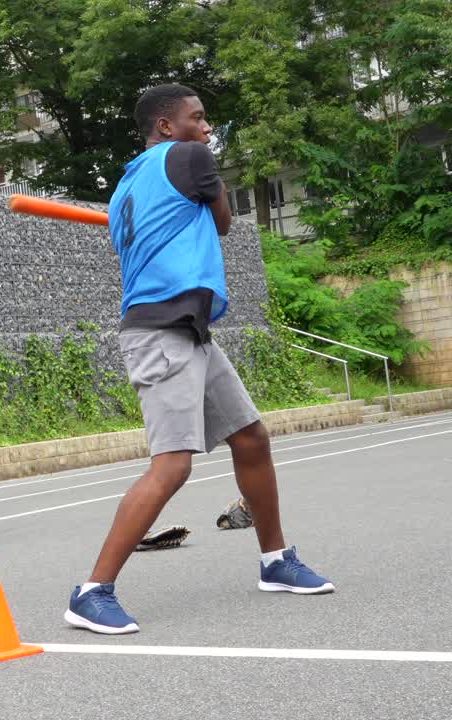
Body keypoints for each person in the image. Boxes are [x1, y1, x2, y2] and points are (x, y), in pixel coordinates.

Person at [65, 83, 334, 636]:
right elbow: (223, 222)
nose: (207, 129)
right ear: (168, 126)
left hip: (187, 329)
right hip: (161, 331)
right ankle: (91, 591)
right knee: (173, 464)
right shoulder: (189, 156)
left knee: (251, 437)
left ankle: (275, 560)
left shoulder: (126, 185)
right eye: (199, 118)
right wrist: (207, 185)